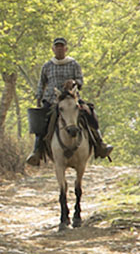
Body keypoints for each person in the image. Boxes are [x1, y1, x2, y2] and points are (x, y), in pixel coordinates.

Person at [25, 37, 113, 166]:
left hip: (72, 98)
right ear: (53, 49)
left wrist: (74, 82)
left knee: (90, 113)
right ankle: (36, 151)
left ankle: (100, 144)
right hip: (52, 99)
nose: (59, 49)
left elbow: (80, 80)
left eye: (62, 47)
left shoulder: (73, 64)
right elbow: (41, 83)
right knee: (41, 122)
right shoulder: (47, 66)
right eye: (57, 47)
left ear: (66, 49)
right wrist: (39, 98)